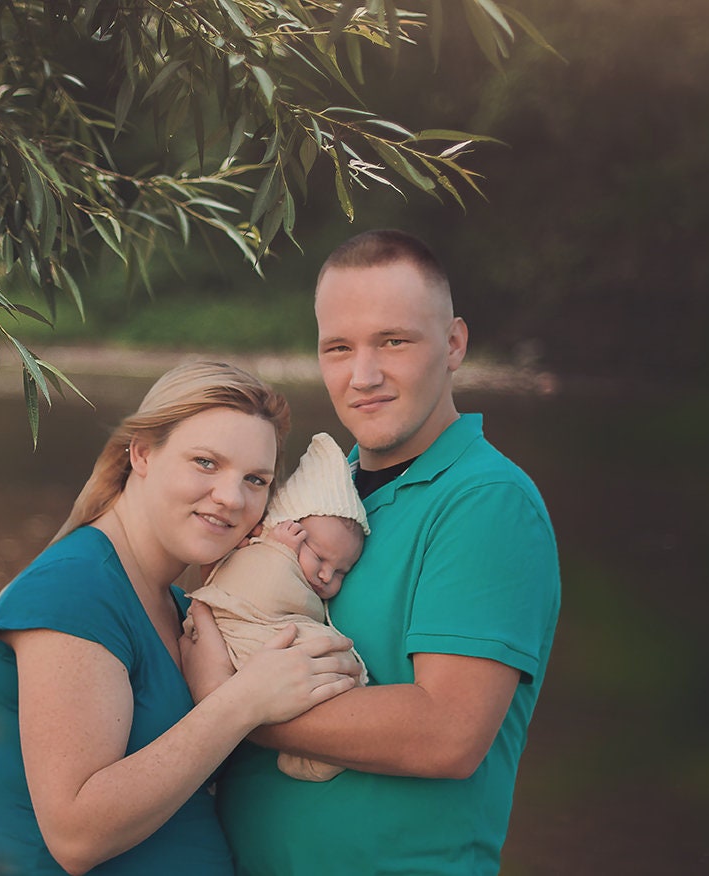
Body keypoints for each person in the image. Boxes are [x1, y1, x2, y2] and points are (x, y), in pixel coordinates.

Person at [182, 230, 562, 875]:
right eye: (339, 348)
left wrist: (226, 705)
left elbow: (446, 734)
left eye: (394, 341)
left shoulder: (485, 502)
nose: (364, 376)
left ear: (454, 343)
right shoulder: (316, 497)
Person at [0, 361, 363, 876]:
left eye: (255, 480)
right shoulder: (77, 589)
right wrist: (242, 701)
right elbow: (75, 835)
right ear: (143, 452)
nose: (231, 497)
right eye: (205, 462)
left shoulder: (175, 604)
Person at [186, 431, 372, 782]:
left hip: (261, 657)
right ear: (278, 529)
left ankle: (308, 751)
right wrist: (279, 550)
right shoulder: (262, 553)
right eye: (317, 556)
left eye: (341, 571)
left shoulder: (303, 572)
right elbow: (245, 588)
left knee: (328, 662)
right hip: (239, 634)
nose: (325, 574)